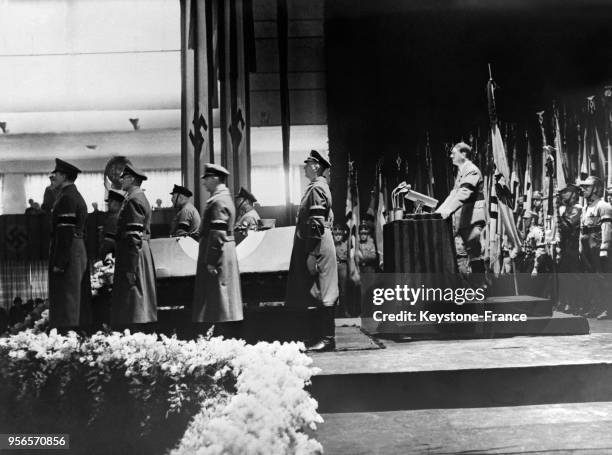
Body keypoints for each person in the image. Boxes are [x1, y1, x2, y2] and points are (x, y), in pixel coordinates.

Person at [286, 150, 338, 352]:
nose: (305, 166)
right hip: (318, 241)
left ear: (316, 166)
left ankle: (327, 339)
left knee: (325, 288)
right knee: (319, 288)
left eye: (308, 163)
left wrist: (311, 253)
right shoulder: (317, 187)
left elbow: (316, 223)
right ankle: (321, 336)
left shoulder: (317, 188)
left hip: (318, 242)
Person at [192, 164, 243, 338]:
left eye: (206, 179)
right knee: (222, 300)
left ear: (215, 178)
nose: (204, 183)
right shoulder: (223, 197)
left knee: (218, 300)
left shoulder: (218, 200)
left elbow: (217, 233)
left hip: (218, 254)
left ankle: (220, 342)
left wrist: (211, 260)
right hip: (224, 252)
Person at [111, 163, 157, 329]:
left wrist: (131, 266)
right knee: (138, 296)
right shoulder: (137, 198)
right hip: (137, 251)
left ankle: (136, 335)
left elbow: (133, 235)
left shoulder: (133, 200)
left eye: (124, 177)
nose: (121, 180)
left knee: (134, 297)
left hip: (133, 253)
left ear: (131, 179)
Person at [48, 158, 92, 330]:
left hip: (69, 251)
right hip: (75, 249)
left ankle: (68, 342)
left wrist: (60, 262)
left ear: (64, 176)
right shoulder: (71, 195)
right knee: (72, 297)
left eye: (56, 173)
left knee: (68, 300)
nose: (52, 176)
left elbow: (65, 233)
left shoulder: (67, 198)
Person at [435, 142, 486, 274]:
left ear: (463, 154)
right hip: (465, 220)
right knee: (465, 255)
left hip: (473, 220)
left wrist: (448, 211)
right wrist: (439, 212)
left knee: (473, 255)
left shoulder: (471, 170)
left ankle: (479, 288)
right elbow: (454, 194)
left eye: (453, 153)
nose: (451, 156)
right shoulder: (462, 171)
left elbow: (464, 192)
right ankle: (473, 288)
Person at [579, 176, 612, 319]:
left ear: (596, 188)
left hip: (597, 244)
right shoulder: (586, 207)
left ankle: (608, 308)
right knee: (591, 277)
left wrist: (605, 247)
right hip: (587, 245)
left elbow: (606, 228)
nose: (584, 189)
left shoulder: (603, 206)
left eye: (587, 186)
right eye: (584, 187)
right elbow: (583, 229)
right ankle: (596, 306)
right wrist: (581, 247)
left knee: (602, 277)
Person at [556, 184, 583, 312]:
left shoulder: (577, 209)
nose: (563, 195)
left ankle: (574, 303)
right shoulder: (566, 209)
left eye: (567, 193)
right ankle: (565, 301)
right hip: (565, 246)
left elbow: (567, 226)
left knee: (573, 276)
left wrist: (557, 214)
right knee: (564, 275)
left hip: (573, 246)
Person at [99, 189, 125, 258]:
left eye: (110, 202)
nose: (108, 204)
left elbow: (108, 243)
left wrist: (102, 255)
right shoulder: (120, 217)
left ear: (117, 204)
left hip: (111, 256)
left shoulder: (113, 219)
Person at [333, 224, 349, 317]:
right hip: (333, 267)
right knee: (334, 290)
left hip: (343, 266)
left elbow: (346, 257)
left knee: (343, 290)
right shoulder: (330, 244)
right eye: (336, 235)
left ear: (342, 235)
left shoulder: (346, 245)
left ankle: (345, 311)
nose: (338, 236)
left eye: (340, 234)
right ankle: (335, 312)